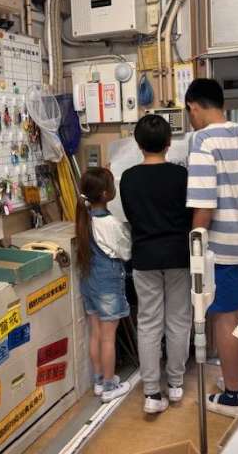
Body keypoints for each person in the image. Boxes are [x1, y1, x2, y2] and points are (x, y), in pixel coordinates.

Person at [185, 78, 238, 418]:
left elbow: (204, 204)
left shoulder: (202, 140)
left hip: (224, 248)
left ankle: (232, 397)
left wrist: (195, 246)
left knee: (226, 320)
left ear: (193, 107)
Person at [120, 115, 192, 415]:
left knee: (149, 322)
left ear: (138, 144)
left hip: (144, 256)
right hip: (178, 256)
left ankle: (151, 392)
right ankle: (175, 384)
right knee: (178, 319)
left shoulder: (128, 178)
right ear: (168, 142)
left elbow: (130, 216)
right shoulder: (181, 175)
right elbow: (190, 214)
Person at [76, 167, 132, 403]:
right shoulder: (110, 223)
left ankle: (99, 380)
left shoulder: (84, 218)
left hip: (89, 280)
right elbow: (125, 253)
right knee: (109, 337)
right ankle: (110, 387)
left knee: (96, 333)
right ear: (107, 194)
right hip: (107, 282)